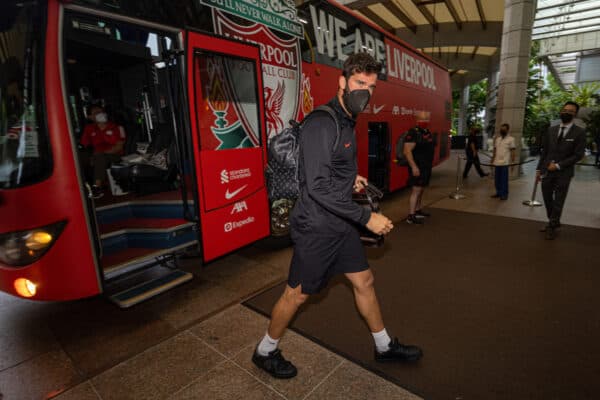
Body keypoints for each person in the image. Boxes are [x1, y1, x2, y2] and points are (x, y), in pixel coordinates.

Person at [251, 53, 423, 379]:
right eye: (359, 83)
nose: (365, 92)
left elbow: (327, 170)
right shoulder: (322, 122)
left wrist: (350, 179)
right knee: (297, 294)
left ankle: (384, 346)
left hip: (338, 223)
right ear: (342, 82)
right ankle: (265, 350)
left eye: (371, 87)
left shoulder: (345, 121)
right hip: (316, 226)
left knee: (364, 280)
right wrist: (364, 217)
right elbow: (315, 186)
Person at [536, 101, 586, 240]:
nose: (566, 112)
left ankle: (552, 226)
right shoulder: (551, 130)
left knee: (559, 200)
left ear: (575, 114)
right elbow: (545, 151)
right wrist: (539, 169)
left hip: (564, 172)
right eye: (564, 109)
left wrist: (558, 165)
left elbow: (578, 155)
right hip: (547, 170)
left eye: (570, 111)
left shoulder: (579, 132)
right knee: (547, 198)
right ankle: (555, 221)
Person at [80, 104, 126, 198]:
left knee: (99, 157)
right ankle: (82, 187)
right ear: (90, 117)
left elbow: (119, 147)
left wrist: (100, 153)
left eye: (101, 112)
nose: (100, 114)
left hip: (114, 155)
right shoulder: (89, 129)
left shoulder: (116, 127)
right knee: (81, 158)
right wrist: (91, 155)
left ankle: (97, 187)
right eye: (96, 113)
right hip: (96, 155)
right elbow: (84, 144)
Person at [403, 111, 435, 224]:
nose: (425, 121)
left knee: (421, 189)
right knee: (416, 190)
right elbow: (407, 151)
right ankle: (411, 216)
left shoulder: (427, 132)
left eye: (427, 119)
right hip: (418, 167)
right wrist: (414, 167)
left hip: (426, 167)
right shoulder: (413, 133)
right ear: (417, 120)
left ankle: (417, 210)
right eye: (423, 119)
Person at [490, 123, 516, 200]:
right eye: (501, 129)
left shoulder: (511, 139)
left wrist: (513, 162)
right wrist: (492, 160)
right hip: (496, 162)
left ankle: (504, 194)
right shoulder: (497, 139)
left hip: (505, 163)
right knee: (497, 180)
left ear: (507, 130)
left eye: (504, 129)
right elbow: (495, 150)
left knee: (504, 180)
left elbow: (513, 152)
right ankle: (498, 193)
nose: (502, 130)